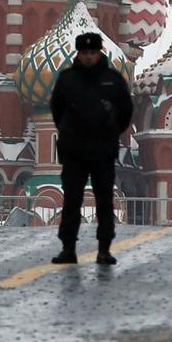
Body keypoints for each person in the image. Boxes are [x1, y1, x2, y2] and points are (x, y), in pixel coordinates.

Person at [49, 32, 133, 265]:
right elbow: (57, 109)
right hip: (74, 152)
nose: (88, 57)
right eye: (85, 53)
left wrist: (111, 130)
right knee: (72, 201)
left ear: (99, 53)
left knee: (104, 201)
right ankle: (68, 248)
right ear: (79, 53)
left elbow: (125, 110)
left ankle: (104, 249)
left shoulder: (113, 80)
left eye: (92, 52)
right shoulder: (67, 80)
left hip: (102, 151)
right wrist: (68, 131)